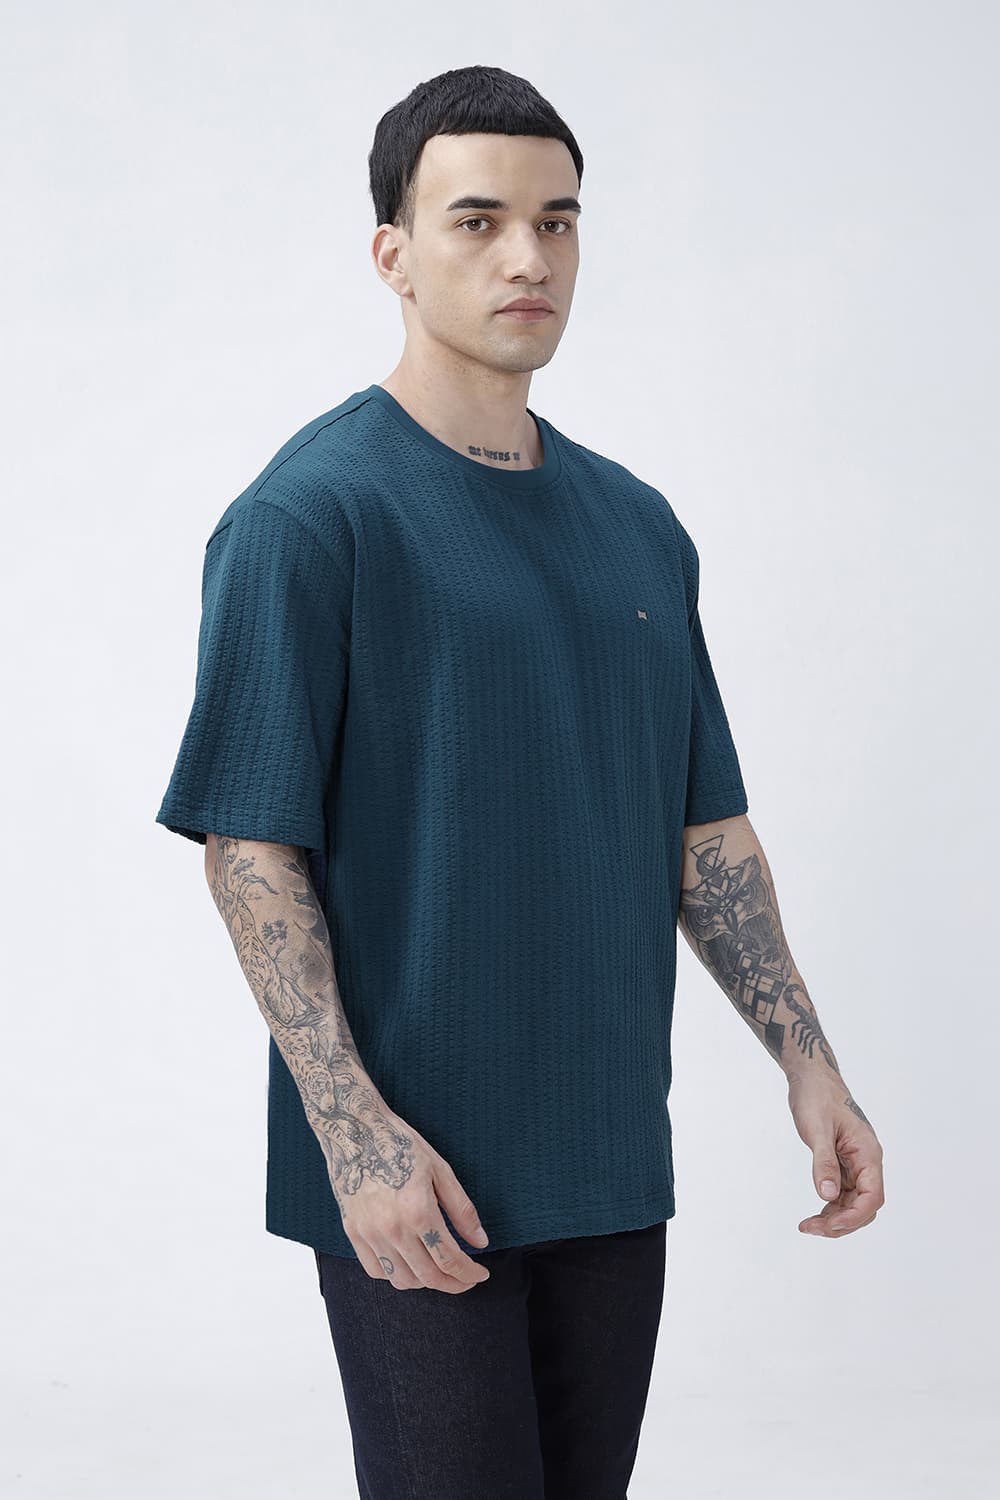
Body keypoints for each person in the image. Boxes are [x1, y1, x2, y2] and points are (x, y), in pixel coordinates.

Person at [155, 63, 885, 1500]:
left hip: (607, 1153)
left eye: (557, 221)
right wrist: (355, 1137)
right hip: (418, 1171)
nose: (527, 257)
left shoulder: (637, 526)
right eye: (478, 220)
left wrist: (810, 1063)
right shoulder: (308, 518)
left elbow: (705, 832)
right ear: (393, 253)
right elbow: (251, 849)